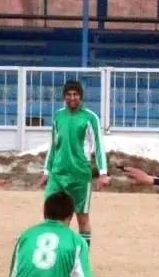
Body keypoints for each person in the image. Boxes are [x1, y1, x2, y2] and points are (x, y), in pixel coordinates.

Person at [39, 80, 109, 249]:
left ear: (81, 97)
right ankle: (59, 252)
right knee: (52, 216)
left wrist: (103, 172)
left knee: (82, 217)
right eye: (69, 94)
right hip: (58, 174)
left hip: (79, 175)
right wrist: (47, 170)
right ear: (64, 97)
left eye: (76, 94)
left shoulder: (90, 118)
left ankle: (82, 255)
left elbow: (99, 146)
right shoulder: (58, 116)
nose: (72, 98)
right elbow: (53, 145)